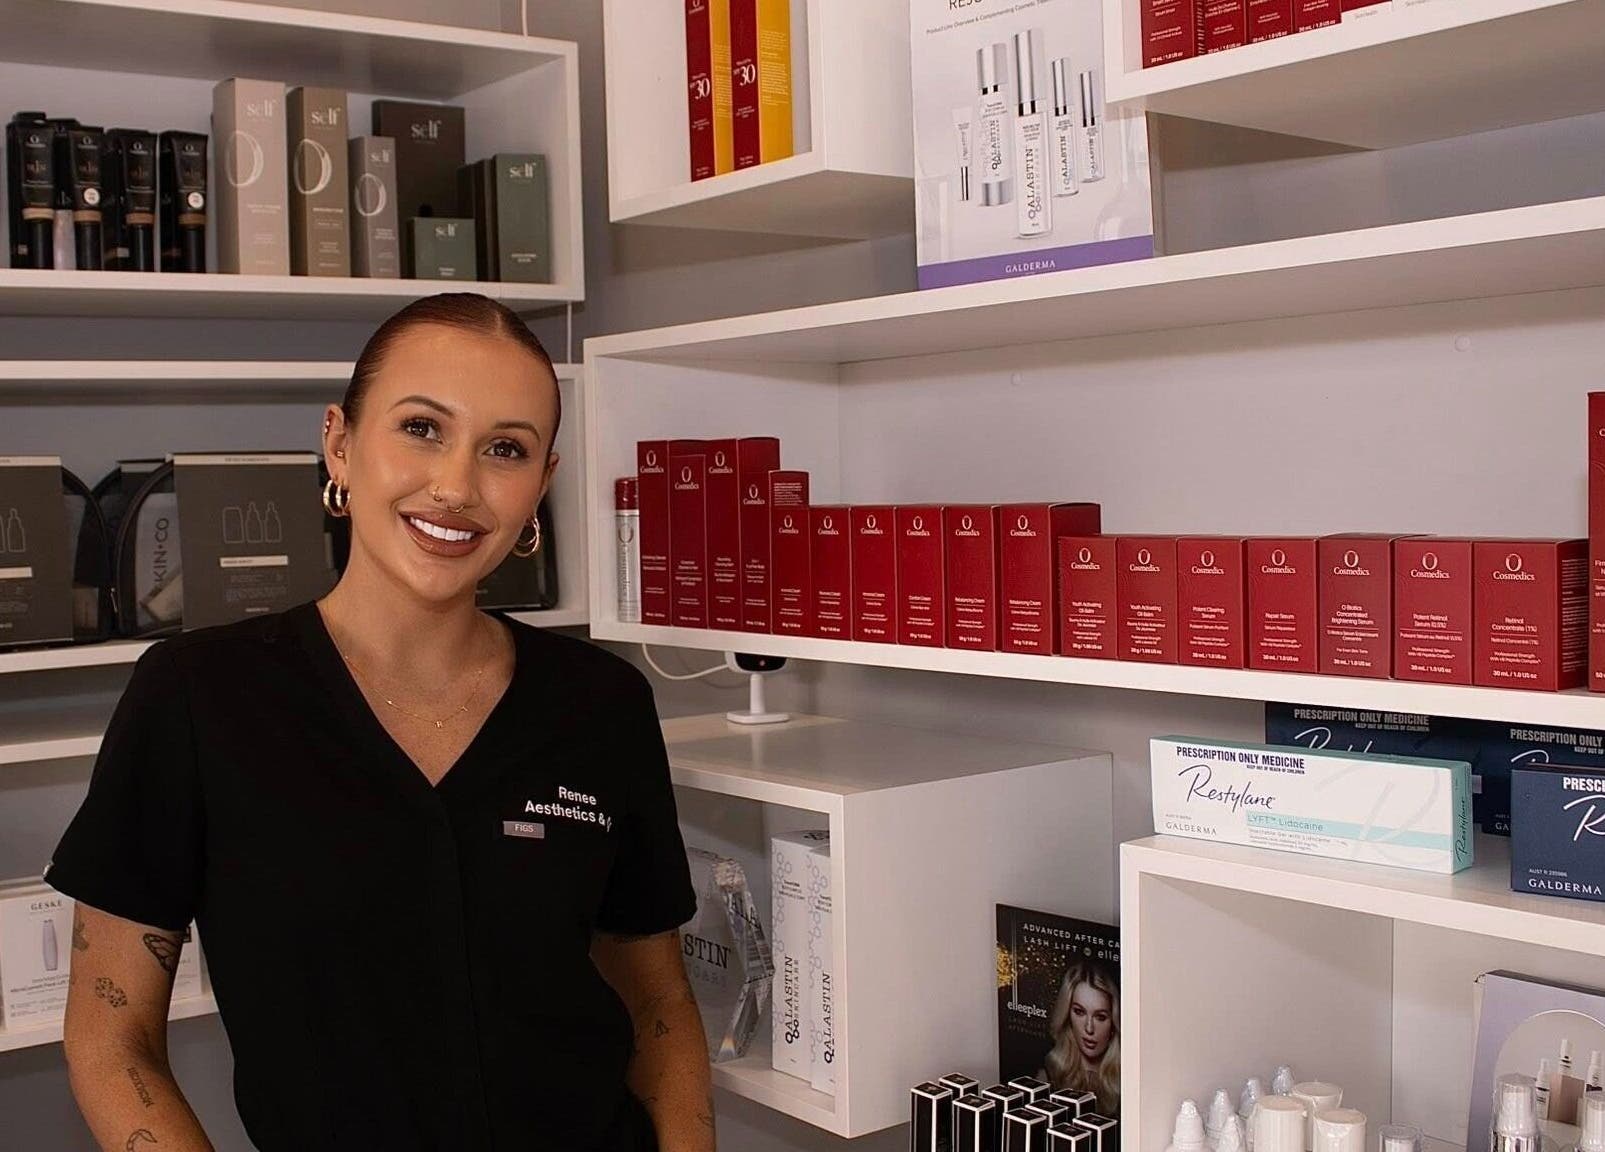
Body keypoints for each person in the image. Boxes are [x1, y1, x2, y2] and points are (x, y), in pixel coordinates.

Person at [46, 294, 715, 1151]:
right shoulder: (197, 696)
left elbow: (657, 1002)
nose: (457, 487)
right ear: (339, 443)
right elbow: (109, 1038)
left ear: (540, 485)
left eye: (504, 449)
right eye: (421, 428)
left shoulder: (600, 703)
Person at [1041, 958, 1120, 1116]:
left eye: (1100, 1017)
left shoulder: (1128, 1081)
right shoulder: (1049, 1076)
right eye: (1079, 1012)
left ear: (1113, 1022)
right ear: (1067, 1016)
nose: (1089, 1028)